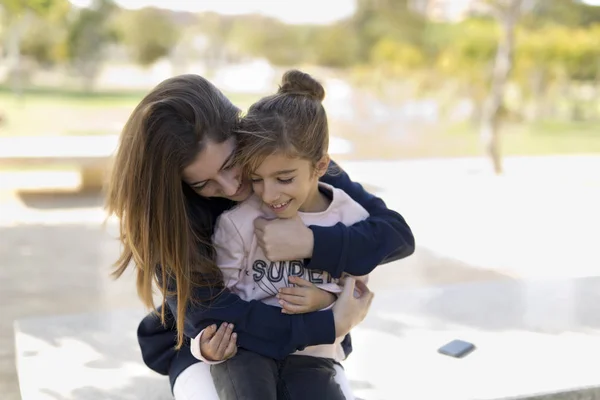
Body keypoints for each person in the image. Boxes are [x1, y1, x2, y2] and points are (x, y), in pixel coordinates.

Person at [105, 74, 415, 400]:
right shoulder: (166, 220)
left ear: (243, 133)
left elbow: (395, 235)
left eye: (231, 164)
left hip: (309, 349)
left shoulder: (285, 160)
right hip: (213, 346)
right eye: (202, 184)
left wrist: (311, 243)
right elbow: (219, 317)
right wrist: (329, 324)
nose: (230, 187)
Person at [196, 69, 372, 400]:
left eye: (284, 178)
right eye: (257, 178)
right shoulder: (238, 222)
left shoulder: (353, 220)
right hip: (247, 352)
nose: (268, 194)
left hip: (314, 354)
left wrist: (326, 299)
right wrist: (205, 347)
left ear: (320, 166)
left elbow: (356, 294)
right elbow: (222, 302)